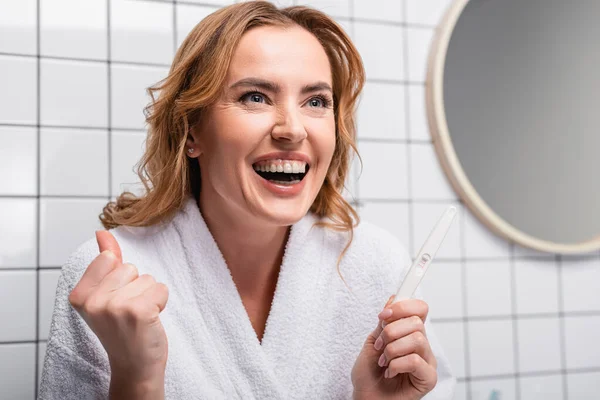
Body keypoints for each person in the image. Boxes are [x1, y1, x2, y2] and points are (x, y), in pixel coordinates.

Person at [39, 1, 455, 399]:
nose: (292, 129)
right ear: (191, 131)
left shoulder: (376, 264)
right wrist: (136, 379)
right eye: (255, 96)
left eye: (316, 101)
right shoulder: (112, 285)